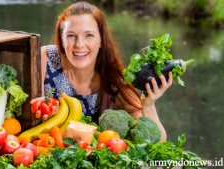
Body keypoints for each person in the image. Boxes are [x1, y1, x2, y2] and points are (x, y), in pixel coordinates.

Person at [30, 1, 172, 142]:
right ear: (61, 39)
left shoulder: (114, 84)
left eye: (89, 35)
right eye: (71, 35)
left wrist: (148, 105)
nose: (79, 44)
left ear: (101, 41)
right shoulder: (44, 58)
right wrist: (44, 109)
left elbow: (157, 141)